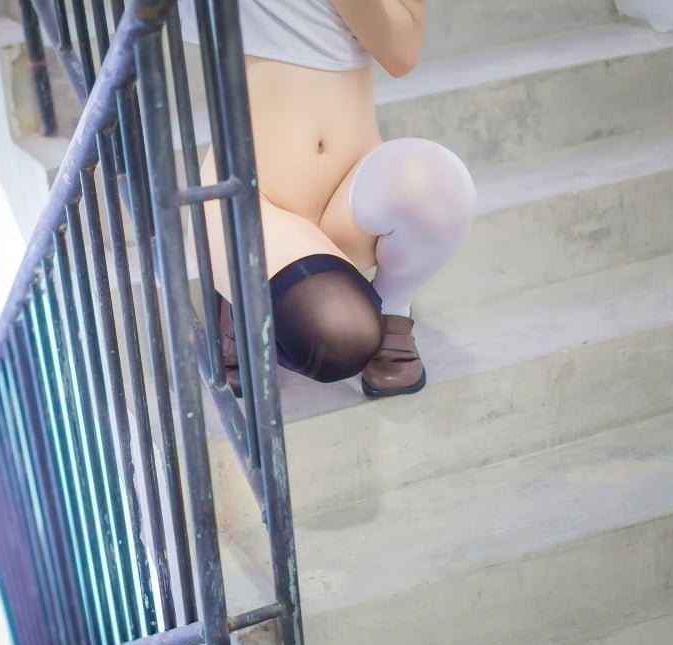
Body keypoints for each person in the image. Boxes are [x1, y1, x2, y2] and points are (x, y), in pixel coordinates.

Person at [181, 0, 477, 398]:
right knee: (340, 333)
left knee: (439, 182)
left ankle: (392, 307)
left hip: (350, 191)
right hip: (253, 197)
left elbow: (402, 52)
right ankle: (246, 294)